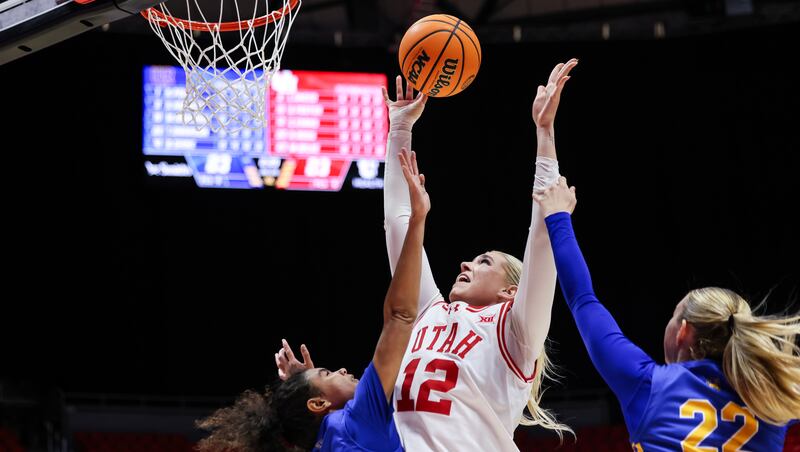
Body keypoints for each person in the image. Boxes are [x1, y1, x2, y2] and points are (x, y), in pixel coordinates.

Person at [379, 59, 578, 450]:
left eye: (485, 261)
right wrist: (400, 128)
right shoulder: (429, 312)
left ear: (510, 292)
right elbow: (398, 223)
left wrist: (545, 133)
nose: (466, 263)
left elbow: (541, 243)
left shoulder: (515, 331)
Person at [533, 177, 800, 451]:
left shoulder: (648, 385)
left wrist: (558, 217)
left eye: (673, 315)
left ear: (683, 331)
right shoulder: (774, 403)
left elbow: (583, 299)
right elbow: (582, 300)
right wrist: (558, 217)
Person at [196, 148, 431, 451]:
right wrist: (417, 218)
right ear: (318, 403)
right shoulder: (355, 420)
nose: (341, 370)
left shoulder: (325, 440)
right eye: (327, 372)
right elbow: (400, 316)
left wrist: (309, 384)